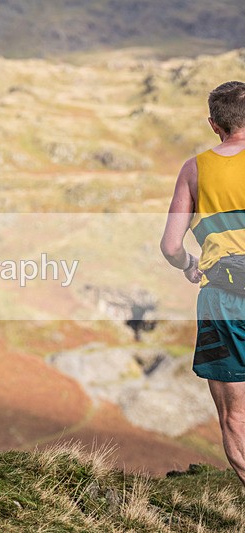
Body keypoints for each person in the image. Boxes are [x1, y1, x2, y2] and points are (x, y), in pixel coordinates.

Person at [161, 81, 245, 485]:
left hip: (222, 300)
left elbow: (171, 246)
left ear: (214, 124)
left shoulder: (194, 169)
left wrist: (188, 265)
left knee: (235, 418)